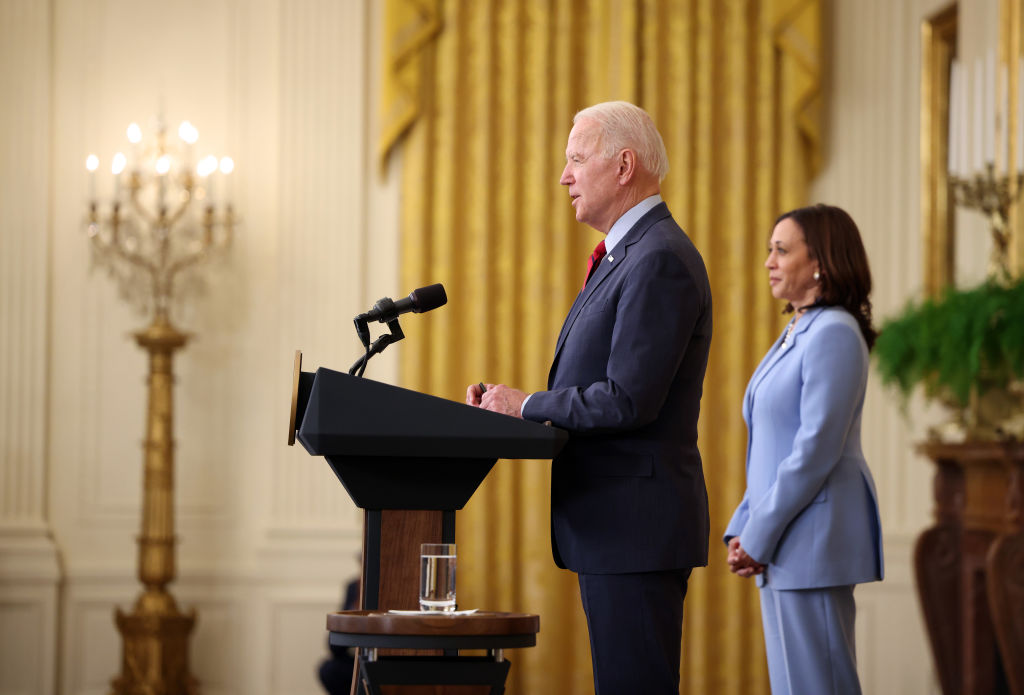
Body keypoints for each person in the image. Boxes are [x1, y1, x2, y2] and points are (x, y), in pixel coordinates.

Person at [466, 101, 711, 694]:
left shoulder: (658, 260)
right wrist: (511, 407)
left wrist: (525, 405)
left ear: (624, 165)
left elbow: (628, 399)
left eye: (576, 159)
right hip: (617, 529)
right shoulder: (628, 256)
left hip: (634, 530)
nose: (563, 175)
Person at [724, 204, 884, 695]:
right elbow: (769, 447)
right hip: (787, 542)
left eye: (781, 250)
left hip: (813, 539)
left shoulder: (834, 332)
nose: (769, 261)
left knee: (820, 686)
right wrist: (744, 529)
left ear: (820, 262)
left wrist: (760, 532)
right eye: (769, 250)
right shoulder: (798, 329)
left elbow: (814, 448)